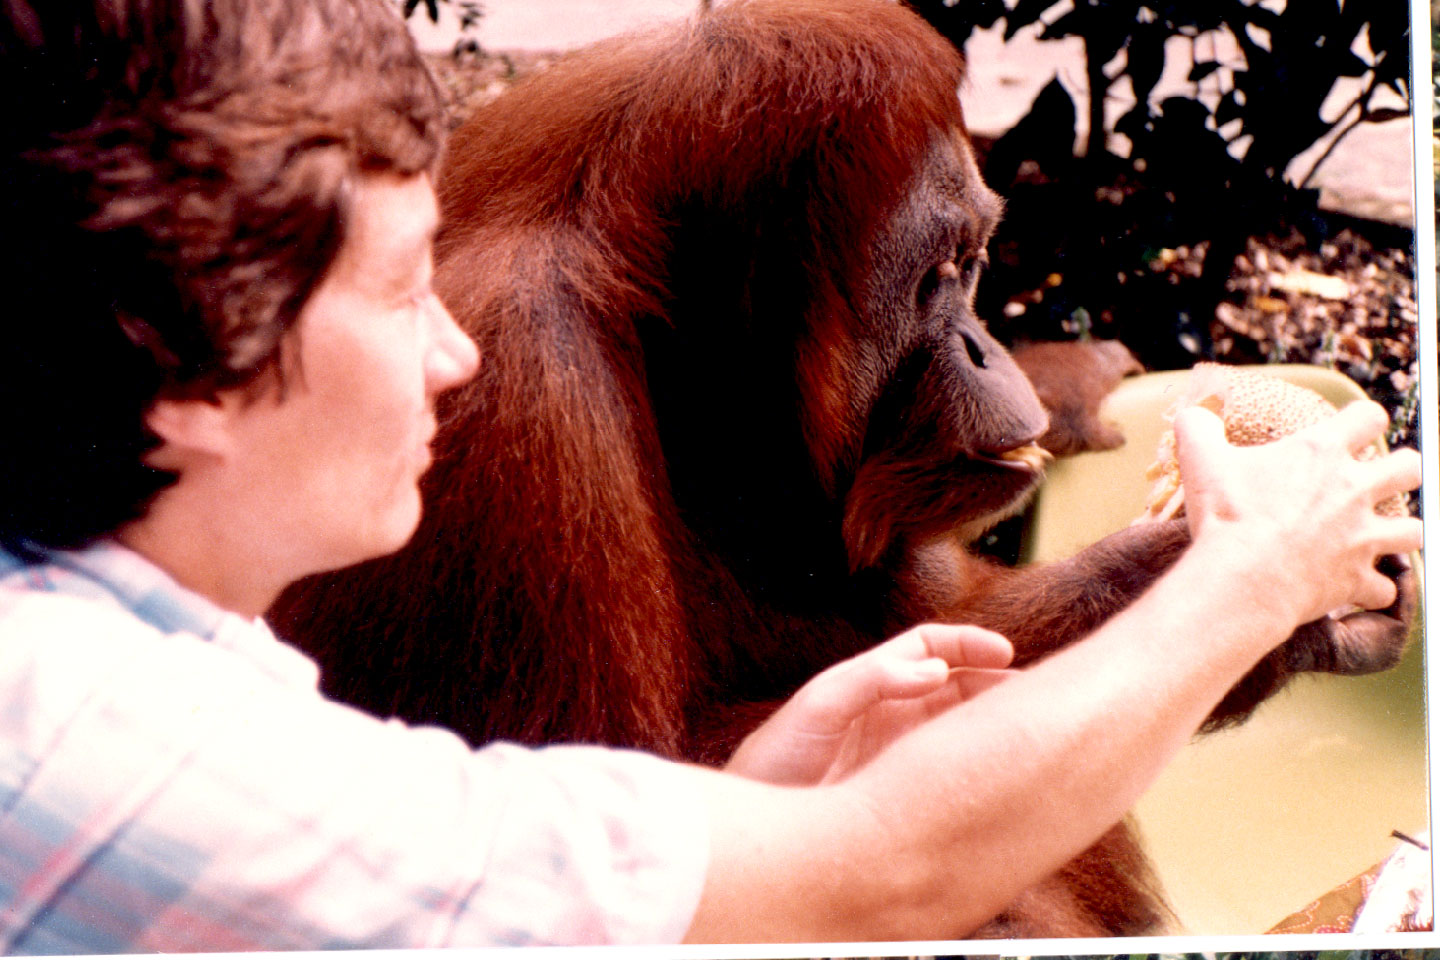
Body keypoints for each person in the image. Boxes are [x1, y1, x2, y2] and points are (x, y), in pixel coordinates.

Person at [0, 0, 1421, 949]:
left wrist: (1172, 599)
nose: (445, 354)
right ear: (196, 364)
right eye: (389, 294)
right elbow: (848, 875)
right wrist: (1234, 586)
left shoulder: (83, 622)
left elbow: (671, 808)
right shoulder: (521, 407)